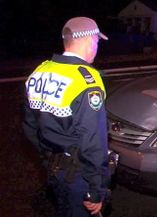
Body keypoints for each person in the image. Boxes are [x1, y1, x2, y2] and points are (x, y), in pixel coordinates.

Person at [23, 17, 110, 217]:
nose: (96, 47)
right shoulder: (85, 81)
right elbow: (93, 140)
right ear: (89, 41)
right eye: (97, 42)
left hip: (54, 170)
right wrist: (97, 189)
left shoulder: (39, 72)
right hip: (79, 175)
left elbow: (30, 126)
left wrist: (48, 159)